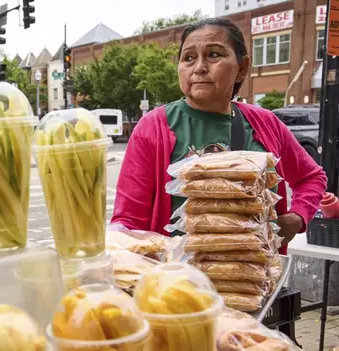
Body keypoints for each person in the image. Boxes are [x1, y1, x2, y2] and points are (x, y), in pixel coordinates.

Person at [111, 18, 327, 246]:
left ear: (241, 68)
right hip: (177, 279)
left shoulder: (266, 123)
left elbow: (312, 177)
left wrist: (297, 217)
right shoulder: (154, 127)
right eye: (189, 58)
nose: (199, 67)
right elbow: (128, 221)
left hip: (253, 275)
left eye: (214, 54)